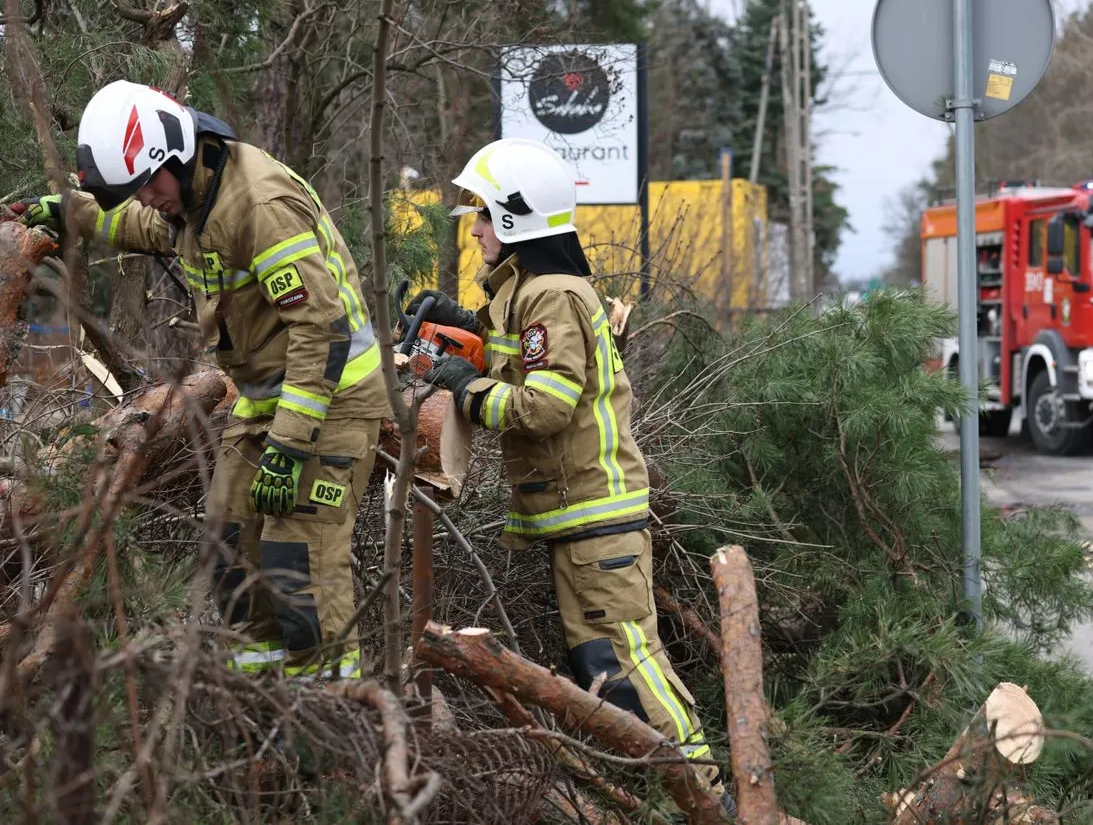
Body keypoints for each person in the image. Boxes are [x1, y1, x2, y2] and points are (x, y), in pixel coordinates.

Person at [9, 80, 388, 681]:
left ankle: (333, 718)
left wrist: (290, 445)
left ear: (176, 154)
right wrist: (71, 211)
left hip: (332, 399)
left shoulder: (257, 206)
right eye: (135, 188)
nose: (147, 198)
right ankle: (260, 699)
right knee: (228, 549)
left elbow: (323, 330)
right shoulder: (189, 198)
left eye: (149, 183)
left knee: (299, 562)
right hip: (268, 397)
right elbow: (137, 223)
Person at [407, 137, 734, 809]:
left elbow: (547, 405)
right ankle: (668, 800)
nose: (472, 230)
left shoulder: (549, 294)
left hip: (593, 517)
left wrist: (466, 389)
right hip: (580, 516)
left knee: (631, 672)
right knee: (607, 677)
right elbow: (520, 359)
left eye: (481, 216)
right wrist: (461, 325)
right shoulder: (535, 290)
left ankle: (709, 803)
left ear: (514, 220)